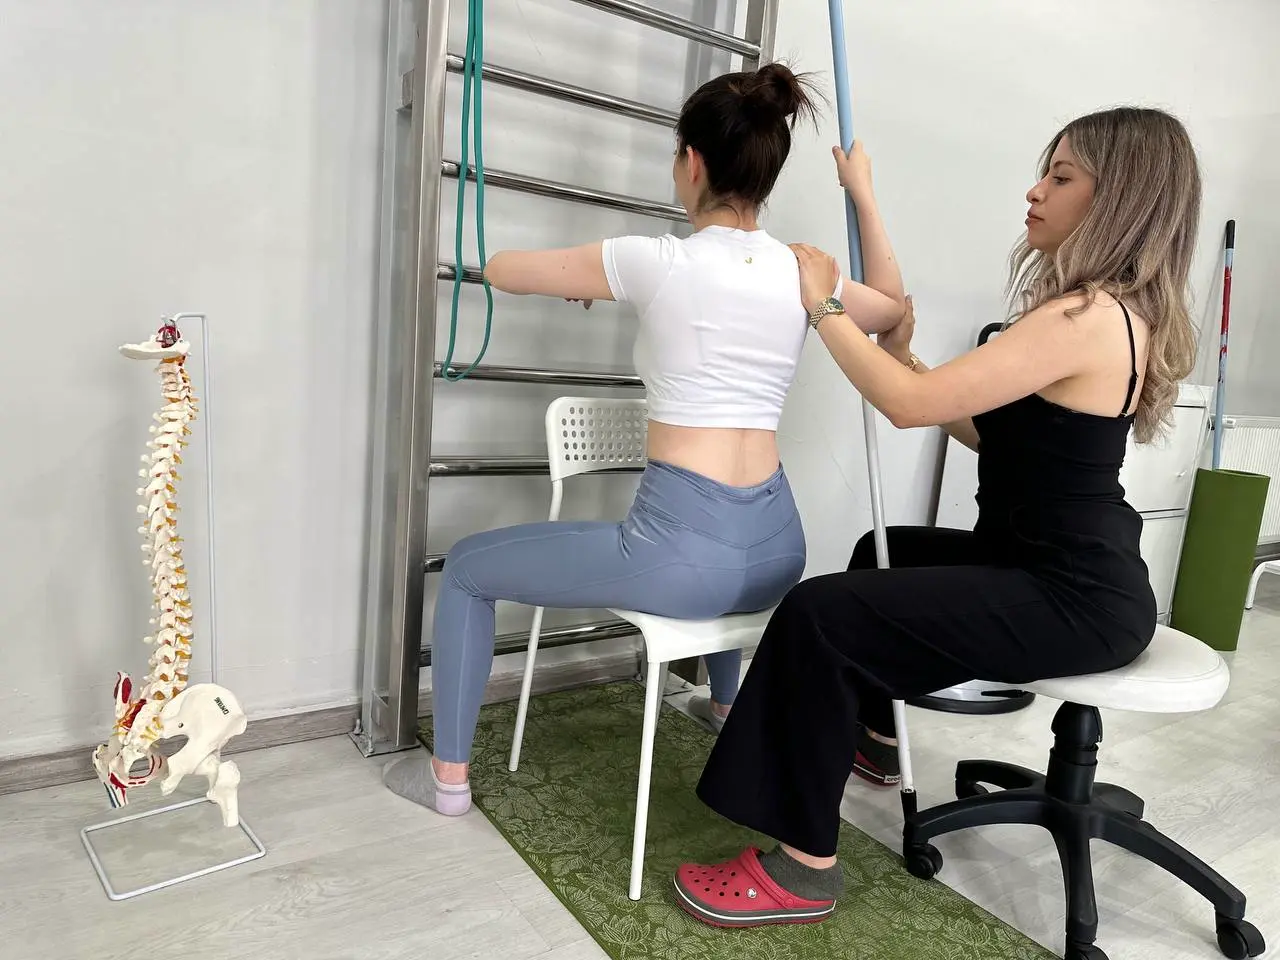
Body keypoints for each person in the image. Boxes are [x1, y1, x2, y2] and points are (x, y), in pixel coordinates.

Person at [673, 105, 1201, 928]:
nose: (1034, 191)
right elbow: (982, 428)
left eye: (1061, 177)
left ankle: (803, 870)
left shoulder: (1088, 318)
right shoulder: (1097, 314)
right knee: (881, 551)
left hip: (1074, 595)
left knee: (819, 615)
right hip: (1050, 564)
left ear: (1120, 199)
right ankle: (874, 741)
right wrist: (899, 353)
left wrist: (824, 306)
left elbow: (908, 408)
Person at [383, 63, 907, 816]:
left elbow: (502, 271)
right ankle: (724, 711)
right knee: (714, 561)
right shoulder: (803, 273)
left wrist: (592, 277)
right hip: (777, 553)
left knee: (466, 568)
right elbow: (891, 307)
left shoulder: (654, 260)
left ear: (691, 161)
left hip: (685, 562)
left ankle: (447, 785)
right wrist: (862, 192)